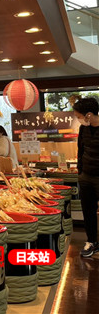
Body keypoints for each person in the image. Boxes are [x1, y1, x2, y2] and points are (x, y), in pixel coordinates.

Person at [73, 97, 99, 258]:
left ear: (88, 115)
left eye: (79, 116)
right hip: (86, 177)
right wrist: (80, 172)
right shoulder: (84, 129)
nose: (79, 119)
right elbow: (80, 150)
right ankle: (91, 242)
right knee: (88, 212)